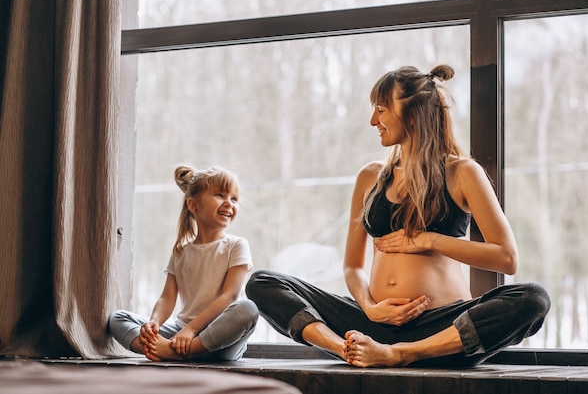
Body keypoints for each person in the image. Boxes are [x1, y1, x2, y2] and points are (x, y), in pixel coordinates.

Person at [246, 64, 550, 368]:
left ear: (414, 113)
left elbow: (506, 258)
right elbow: (352, 266)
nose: (373, 120)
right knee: (262, 283)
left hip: (442, 331)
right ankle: (348, 350)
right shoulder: (371, 177)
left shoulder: (462, 173)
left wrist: (426, 239)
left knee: (533, 299)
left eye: (381, 109)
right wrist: (369, 307)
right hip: (370, 325)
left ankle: (400, 354)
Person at [109, 165, 258, 362]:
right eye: (220, 195)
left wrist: (191, 331)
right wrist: (154, 322)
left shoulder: (237, 245)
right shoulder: (180, 252)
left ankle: (176, 352)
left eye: (234, 199)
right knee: (118, 319)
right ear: (194, 205)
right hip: (181, 334)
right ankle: (167, 348)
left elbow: (229, 296)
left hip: (222, 339)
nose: (229, 203)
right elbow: (167, 297)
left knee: (247, 310)